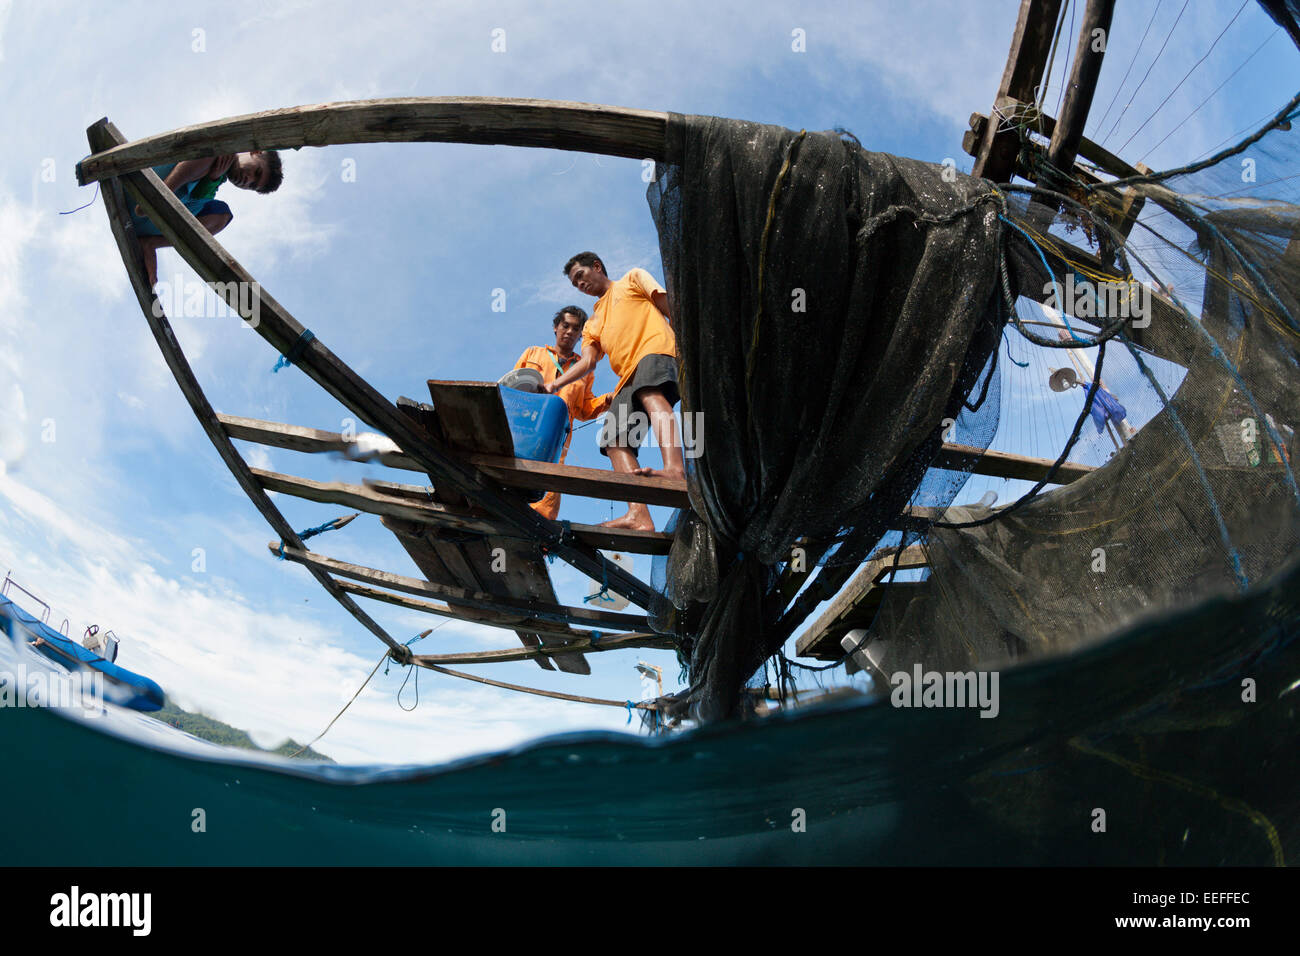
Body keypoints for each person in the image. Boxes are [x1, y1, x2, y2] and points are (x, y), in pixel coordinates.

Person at [545, 252, 685, 531]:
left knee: (650, 394)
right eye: (574, 284)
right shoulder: (593, 324)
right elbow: (587, 361)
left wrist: (689, 341)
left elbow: (666, 304)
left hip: (655, 350)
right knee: (613, 441)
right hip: (626, 378)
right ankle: (639, 515)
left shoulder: (632, 279)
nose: (579, 285)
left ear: (596, 267)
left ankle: (675, 470)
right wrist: (556, 384)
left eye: (581, 276)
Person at [512, 306, 613, 520]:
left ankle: (537, 542)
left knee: (544, 507)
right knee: (510, 486)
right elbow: (511, 389)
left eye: (575, 329)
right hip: (521, 434)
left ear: (580, 336)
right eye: (565, 325)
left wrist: (607, 400)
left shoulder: (585, 369)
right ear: (556, 327)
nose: (569, 331)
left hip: (555, 444)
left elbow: (584, 409)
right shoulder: (533, 353)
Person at [128, 151, 283, 286]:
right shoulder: (219, 148)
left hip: (146, 224)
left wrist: (212, 179)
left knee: (222, 215)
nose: (247, 180)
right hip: (137, 186)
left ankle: (151, 243)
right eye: (257, 172)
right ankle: (154, 196)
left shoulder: (218, 178)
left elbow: (196, 201)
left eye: (252, 185)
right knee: (213, 150)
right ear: (256, 151)